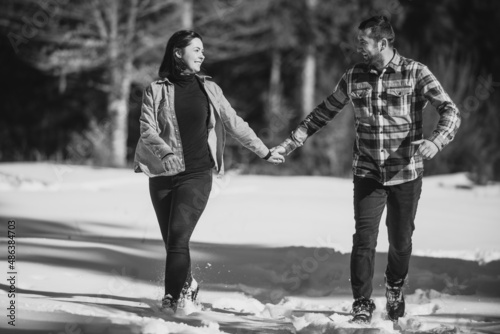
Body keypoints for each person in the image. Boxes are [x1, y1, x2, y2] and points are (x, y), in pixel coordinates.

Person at [273, 16, 460, 324]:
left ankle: (395, 287)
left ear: (382, 43)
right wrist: (291, 142)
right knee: (364, 239)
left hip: (406, 172)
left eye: (363, 42)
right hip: (368, 172)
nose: (357, 47)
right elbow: (324, 111)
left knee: (401, 242)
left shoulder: (416, 72)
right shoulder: (353, 76)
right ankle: (362, 303)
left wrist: (437, 142)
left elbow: (450, 111)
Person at [134, 30, 285, 313]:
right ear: (178, 52)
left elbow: (234, 122)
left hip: (197, 174)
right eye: (197, 49)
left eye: (203, 50)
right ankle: (188, 284)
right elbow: (147, 129)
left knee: (179, 236)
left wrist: (263, 150)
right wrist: (164, 151)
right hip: (162, 175)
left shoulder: (210, 89)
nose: (203, 55)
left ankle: (170, 298)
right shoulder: (155, 90)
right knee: (172, 242)